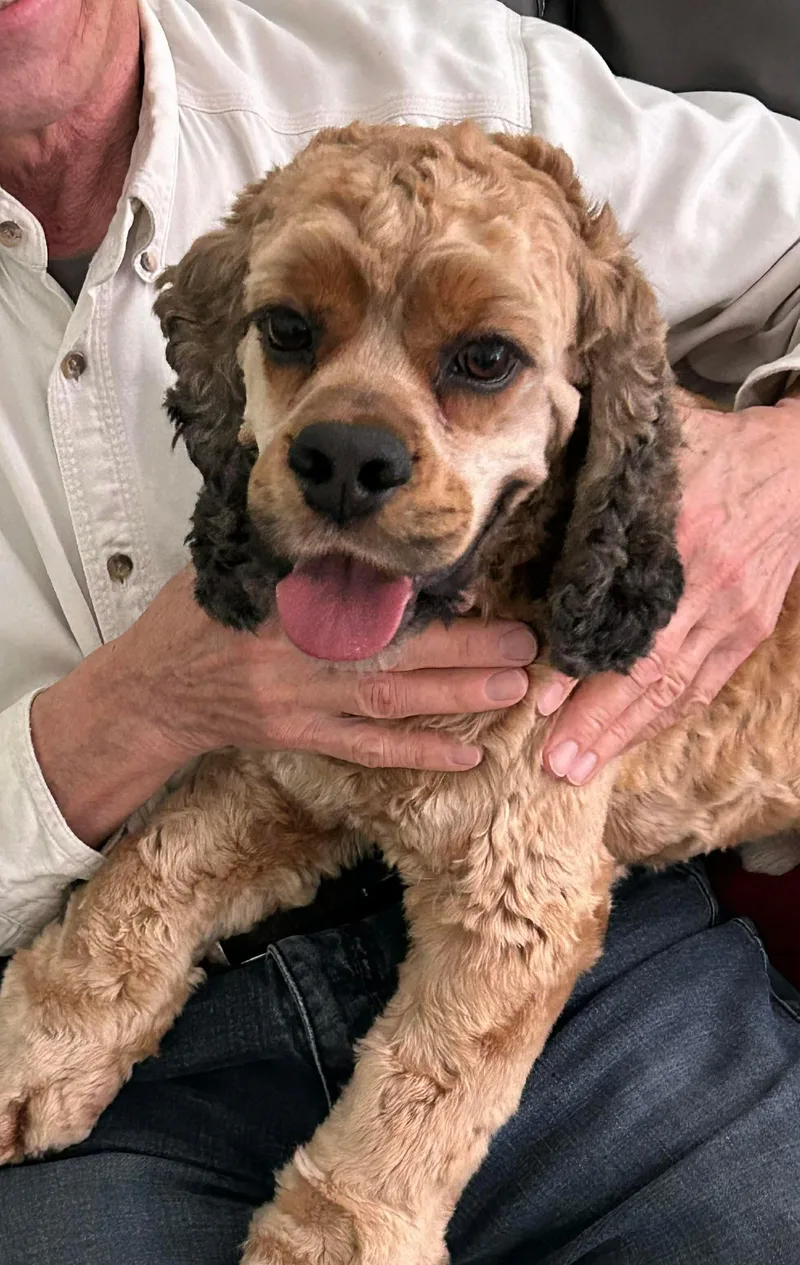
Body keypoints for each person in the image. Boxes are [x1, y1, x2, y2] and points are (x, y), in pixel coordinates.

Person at [0, 1, 798, 1261]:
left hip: (596, 966)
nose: (354, 438)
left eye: (479, 359)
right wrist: (138, 710)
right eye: (293, 334)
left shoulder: (455, 71)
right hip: (144, 1073)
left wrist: (780, 460)